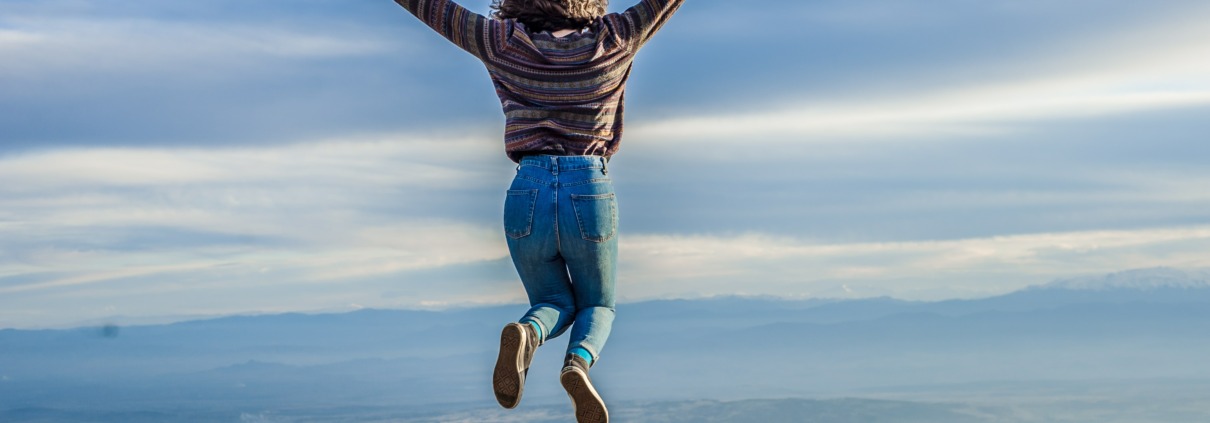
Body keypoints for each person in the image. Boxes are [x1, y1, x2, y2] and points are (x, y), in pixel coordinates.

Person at [391, 0, 683, 421]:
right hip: (590, 188)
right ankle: (577, 364)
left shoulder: (502, 42)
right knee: (598, 305)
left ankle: (529, 332)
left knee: (550, 299)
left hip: (527, 190)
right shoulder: (615, 39)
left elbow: (433, 8)